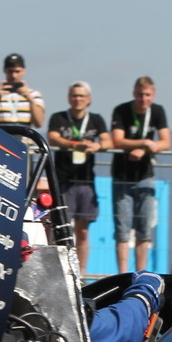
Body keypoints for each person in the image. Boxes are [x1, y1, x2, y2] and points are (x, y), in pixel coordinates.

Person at [109, 76, 170, 273]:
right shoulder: (121, 110)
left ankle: (141, 273)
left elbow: (165, 142)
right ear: (134, 94)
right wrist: (144, 143)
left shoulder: (158, 111)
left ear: (153, 95)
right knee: (122, 230)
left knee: (144, 230)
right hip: (122, 175)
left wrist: (148, 149)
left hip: (146, 176)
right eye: (140, 94)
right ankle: (122, 274)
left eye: (147, 95)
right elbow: (117, 140)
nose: (143, 99)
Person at [47, 81, 110, 271]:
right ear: (69, 98)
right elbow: (53, 137)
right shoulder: (58, 117)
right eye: (74, 95)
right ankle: (58, 271)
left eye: (81, 96)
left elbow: (108, 140)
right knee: (60, 229)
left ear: (89, 99)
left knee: (82, 231)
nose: (77, 99)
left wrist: (97, 146)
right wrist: (75, 145)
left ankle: (80, 273)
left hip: (86, 181)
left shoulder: (96, 119)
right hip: (63, 181)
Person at [0, 53, 44, 127]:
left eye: (17, 71)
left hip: (24, 133)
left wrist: (30, 100)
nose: (13, 75)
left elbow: (39, 123)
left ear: (24, 71)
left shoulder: (34, 94)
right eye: (10, 71)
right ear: (4, 70)